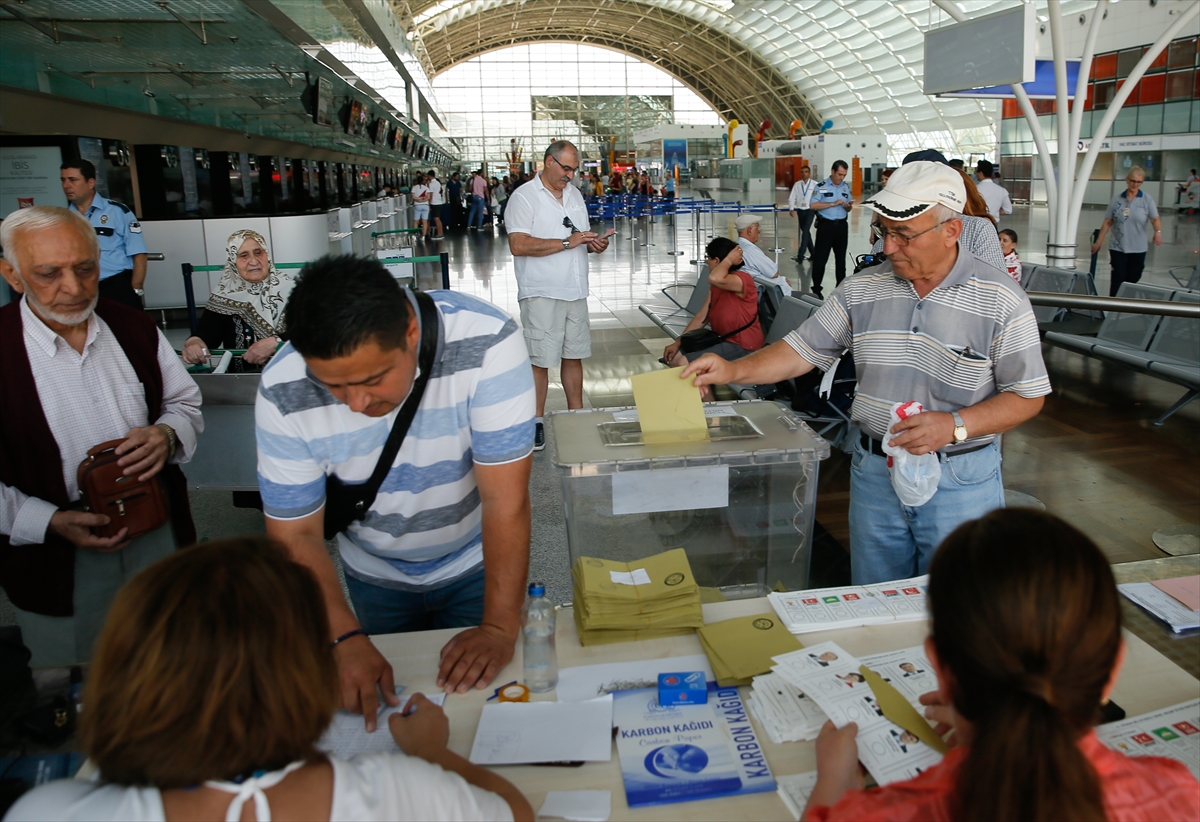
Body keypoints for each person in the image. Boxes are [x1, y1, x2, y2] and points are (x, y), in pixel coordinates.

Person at [682, 162, 1050, 585]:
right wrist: (732, 369)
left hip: (960, 478)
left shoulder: (1001, 298)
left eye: (904, 236)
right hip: (876, 472)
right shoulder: (863, 289)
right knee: (875, 596)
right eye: (882, 231)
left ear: (951, 231)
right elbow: (801, 350)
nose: (889, 248)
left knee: (960, 606)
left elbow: (1027, 395)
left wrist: (955, 425)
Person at [6, 537, 533, 822]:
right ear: (300, 681)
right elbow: (514, 813)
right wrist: (432, 753)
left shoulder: (47, 810)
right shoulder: (399, 790)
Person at [256, 256, 534, 725]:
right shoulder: (284, 387)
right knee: (386, 705)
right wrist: (343, 640)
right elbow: (295, 535)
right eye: (335, 388)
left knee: (484, 712)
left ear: (409, 332)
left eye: (371, 379)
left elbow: (505, 500)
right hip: (371, 572)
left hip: (474, 561)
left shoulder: (486, 341)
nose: (358, 404)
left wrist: (498, 625)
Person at [804, 509, 1200, 821]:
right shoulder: (1177, 791)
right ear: (1114, 668)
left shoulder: (884, 814)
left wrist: (834, 780)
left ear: (940, 667)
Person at [0, 206, 202, 667]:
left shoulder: (131, 327)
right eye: (49, 273)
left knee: (171, 657)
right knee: (77, 683)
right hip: (56, 554)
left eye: (85, 268)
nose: (73, 288)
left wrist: (167, 434)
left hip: (156, 530)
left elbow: (184, 402)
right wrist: (46, 521)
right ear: (12, 275)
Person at [505, 140, 611, 451]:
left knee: (573, 354)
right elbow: (519, 245)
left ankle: (576, 415)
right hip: (542, 291)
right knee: (540, 360)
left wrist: (594, 244)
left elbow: (578, 236)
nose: (570, 175)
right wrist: (567, 242)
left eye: (574, 169)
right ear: (548, 162)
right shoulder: (524, 197)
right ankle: (535, 421)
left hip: (574, 289)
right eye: (566, 168)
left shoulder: (575, 195)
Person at [870, 150, 1005, 273]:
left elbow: (996, 285)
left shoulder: (977, 229)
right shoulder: (884, 243)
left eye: (905, 234)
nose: (890, 247)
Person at [180, 229, 292, 371]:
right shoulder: (225, 295)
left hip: (291, 381)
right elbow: (206, 334)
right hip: (241, 383)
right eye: (244, 256)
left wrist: (276, 342)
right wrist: (193, 343)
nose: (253, 261)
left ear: (267, 255)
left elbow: (314, 331)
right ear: (233, 261)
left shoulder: (294, 291)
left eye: (258, 253)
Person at [60, 159, 147, 312]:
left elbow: (138, 252)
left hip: (114, 286)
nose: (66, 185)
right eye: (63, 180)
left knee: (128, 333)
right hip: (79, 289)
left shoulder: (117, 211)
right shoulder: (62, 218)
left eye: (73, 180)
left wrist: (136, 288)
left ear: (90, 182)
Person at [663, 238, 764, 368]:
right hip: (721, 340)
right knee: (674, 358)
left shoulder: (742, 280)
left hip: (743, 344)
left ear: (717, 261)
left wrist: (727, 260)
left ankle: (704, 387)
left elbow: (714, 278)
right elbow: (701, 318)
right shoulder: (717, 285)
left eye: (708, 257)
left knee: (685, 364)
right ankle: (705, 387)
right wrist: (678, 342)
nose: (706, 261)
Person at [1092, 166, 1162, 297]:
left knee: (1134, 276)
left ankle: (1127, 304)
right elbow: (1108, 222)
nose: (1135, 184)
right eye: (1133, 181)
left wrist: (1157, 231)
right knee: (1118, 276)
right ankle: (1113, 304)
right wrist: (1099, 241)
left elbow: (1155, 218)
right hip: (1118, 246)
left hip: (1138, 247)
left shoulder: (1147, 200)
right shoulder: (1117, 200)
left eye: (1139, 182)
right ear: (1127, 180)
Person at [810, 160, 854, 296]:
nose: (841, 177)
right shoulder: (821, 186)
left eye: (844, 175)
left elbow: (849, 209)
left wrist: (848, 207)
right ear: (833, 171)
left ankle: (840, 289)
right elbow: (813, 205)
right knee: (820, 259)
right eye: (839, 174)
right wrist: (833, 203)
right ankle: (816, 289)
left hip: (841, 227)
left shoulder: (845, 188)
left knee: (841, 260)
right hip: (826, 227)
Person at [735, 214, 791, 295]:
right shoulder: (751, 250)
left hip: (764, 292)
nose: (759, 231)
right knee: (813, 298)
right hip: (778, 295)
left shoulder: (736, 247)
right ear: (750, 230)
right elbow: (773, 273)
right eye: (757, 228)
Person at [787, 164, 817, 263]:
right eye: (802, 172)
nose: (804, 174)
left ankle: (800, 255)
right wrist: (791, 209)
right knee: (806, 232)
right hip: (801, 210)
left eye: (806, 172)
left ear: (809, 173)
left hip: (810, 210)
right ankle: (813, 254)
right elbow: (792, 197)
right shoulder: (797, 184)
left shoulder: (814, 185)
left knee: (805, 232)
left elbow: (819, 198)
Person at [410, 173, 431, 238]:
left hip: (417, 205)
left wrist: (418, 199)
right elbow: (428, 197)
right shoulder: (426, 188)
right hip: (425, 205)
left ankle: (415, 236)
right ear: (423, 181)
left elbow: (413, 197)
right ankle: (423, 236)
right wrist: (423, 200)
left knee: (416, 221)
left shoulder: (414, 187)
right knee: (424, 221)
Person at [427, 169, 446, 240]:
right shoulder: (438, 183)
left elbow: (431, 195)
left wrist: (429, 204)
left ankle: (439, 234)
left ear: (429, 176)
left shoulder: (431, 184)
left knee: (436, 219)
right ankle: (441, 233)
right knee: (438, 219)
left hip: (434, 203)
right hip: (439, 202)